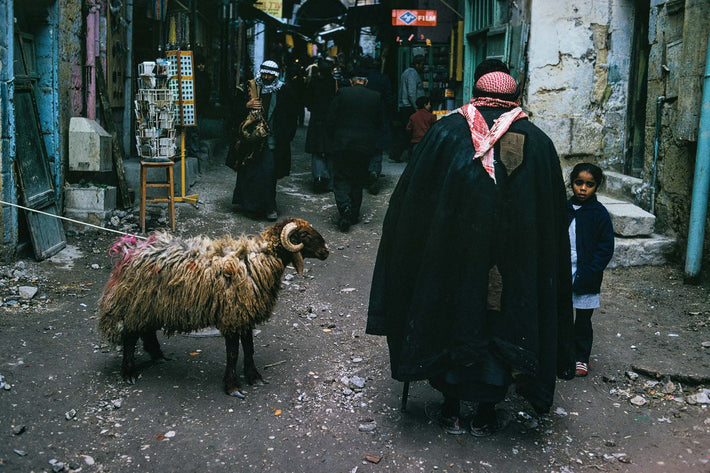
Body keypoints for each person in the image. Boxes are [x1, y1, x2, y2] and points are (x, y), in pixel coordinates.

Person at [366, 59, 575, 436]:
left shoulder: (444, 134)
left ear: (477, 95)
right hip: (511, 269)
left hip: (449, 261)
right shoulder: (539, 144)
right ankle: (486, 411)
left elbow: (410, 204)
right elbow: (552, 222)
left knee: (450, 316)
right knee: (497, 323)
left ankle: (450, 406)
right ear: (513, 99)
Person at [232, 60, 298, 221]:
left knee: (269, 174)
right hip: (251, 141)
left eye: (270, 75)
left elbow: (291, 116)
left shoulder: (284, 91)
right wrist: (246, 104)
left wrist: (286, 137)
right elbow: (233, 111)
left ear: (275, 76)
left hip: (272, 141)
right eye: (264, 74)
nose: (266, 77)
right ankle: (250, 207)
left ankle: (269, 207)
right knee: (250, 173)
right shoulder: (249, 88)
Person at [567, 163, 615, 377]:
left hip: (587, 274)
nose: (583, 189)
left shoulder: (599, 214)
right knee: (562, 316)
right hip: (563, 270)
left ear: (597, 187)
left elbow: (605, 248)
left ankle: (581, 358)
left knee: (583, 320)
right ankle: (563, 354)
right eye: (579, 183)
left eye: (589, 184)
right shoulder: (563, 209)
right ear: (572, 183)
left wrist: (592, 271)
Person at [326, 75, 384, 232]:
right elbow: (379, 122)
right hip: (364, 146)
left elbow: (331, 118)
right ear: (366, 82)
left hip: (342, 144)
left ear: (351, 81)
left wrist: (332, 138)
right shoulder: (375, 97)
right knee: (358, 179)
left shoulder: (343, 93)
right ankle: (354, 213)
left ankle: (345, 208)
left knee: (341, 177)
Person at [353, 55, 394, 195]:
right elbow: (389, 98)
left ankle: (364, 173)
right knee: (377, 149)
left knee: (362, 148)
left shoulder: (358, 78)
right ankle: (374, 170)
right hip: (379, 117)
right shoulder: (382, 78)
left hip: (361, 118)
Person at [305, 58, 338, 193]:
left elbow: (307, 101)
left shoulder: (314, 83)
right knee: (330, 151)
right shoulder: (334, 83)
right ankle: (329, 181)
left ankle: (319, 176)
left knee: (317, 150)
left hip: (317, 119)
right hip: (331, 120)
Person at [391, 54, 425, 162]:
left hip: (407, 106)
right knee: (408, 132)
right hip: (409, 107)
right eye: (422, 65)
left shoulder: (408, 72)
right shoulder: (412, 73)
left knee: (407, 132)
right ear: (417, 64)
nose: (423, 67)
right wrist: (417, 108)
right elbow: (411, 92)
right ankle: (397, 154)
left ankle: (398, 154)